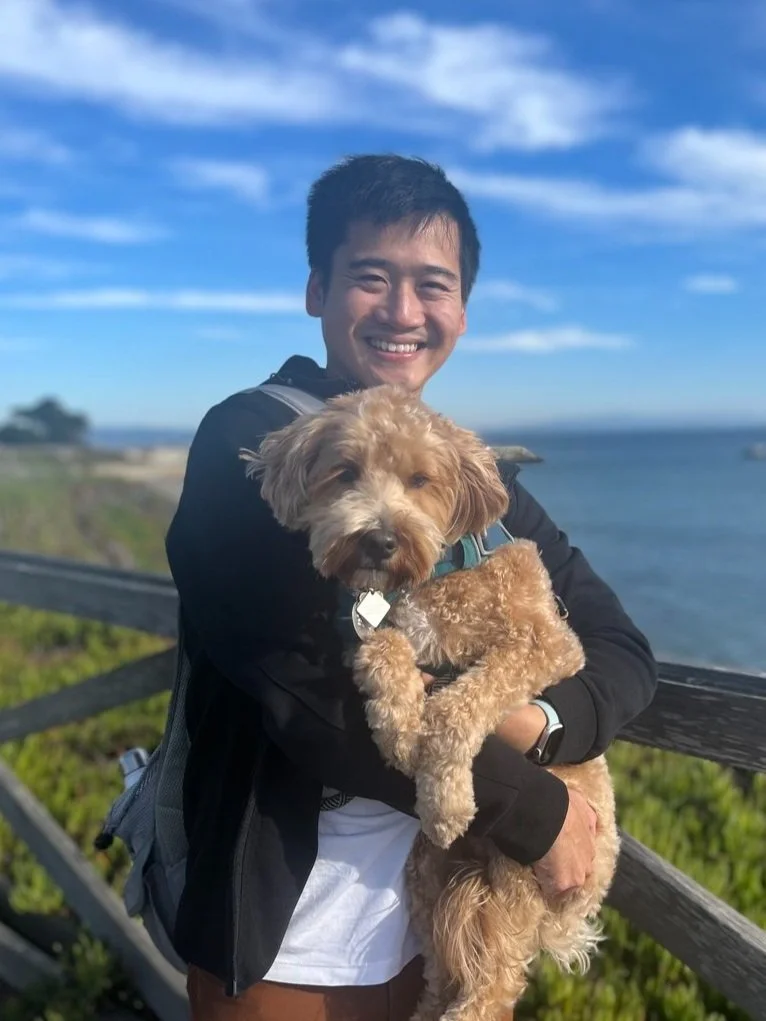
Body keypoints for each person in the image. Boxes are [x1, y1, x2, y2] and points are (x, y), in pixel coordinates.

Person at [164, 154, 657, 1021]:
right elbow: (310, 697)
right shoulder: (250, 443)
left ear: (461, 311)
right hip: (289, 939)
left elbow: (622, 651)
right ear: (317, 289)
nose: (402, 311)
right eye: (371, 277)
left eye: (433, 285)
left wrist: (538, 722)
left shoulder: (465, 479)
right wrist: (537, 812)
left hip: (441, 933)